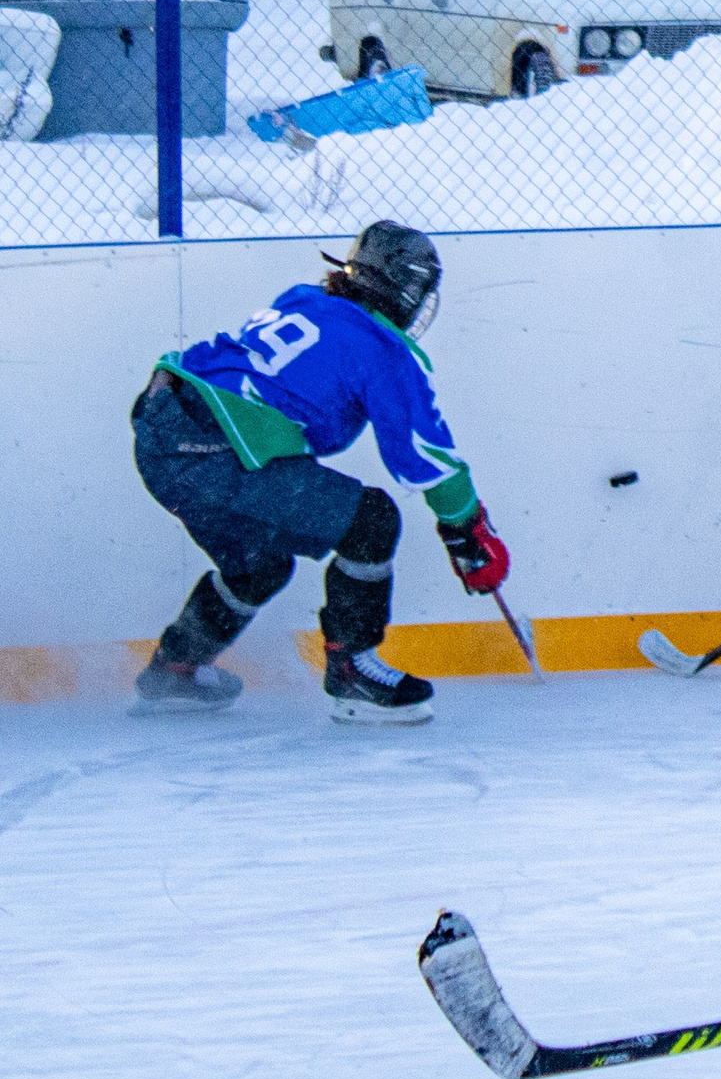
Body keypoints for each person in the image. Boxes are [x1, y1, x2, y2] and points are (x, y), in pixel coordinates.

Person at [129, 221, 511, 724]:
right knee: (371, 521)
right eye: (417, 289)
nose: (419, 303)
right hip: (217, 447)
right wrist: (467, 528)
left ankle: (174, 670)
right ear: (398, 288)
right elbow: (425, 457)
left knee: (259, 564)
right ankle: (353, 674)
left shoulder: (305, 298)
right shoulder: (384, 350)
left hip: (160, 432)